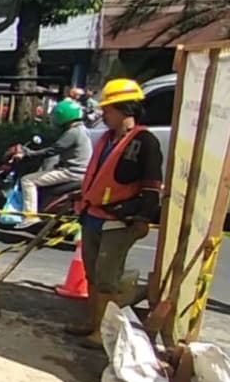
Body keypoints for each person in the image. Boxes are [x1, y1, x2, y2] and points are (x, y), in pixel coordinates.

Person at [65, 78, 164, 347]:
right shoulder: (107, 139)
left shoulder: (145, 142)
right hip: (93, 215)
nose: (104, 114)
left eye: (108, 109)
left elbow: (152, 184)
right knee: (94, 275)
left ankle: (104, 332)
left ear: (124, 109)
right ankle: (92, 322)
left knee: (107, 279)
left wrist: (143, 217)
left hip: (119, 220)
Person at [13, 99, 92, 229]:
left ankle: (30, 217)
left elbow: (53, 150)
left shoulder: (73, 133)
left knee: (27, 180)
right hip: (81, 172)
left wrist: (29, 153)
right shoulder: (83, 130)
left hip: (72, 173)